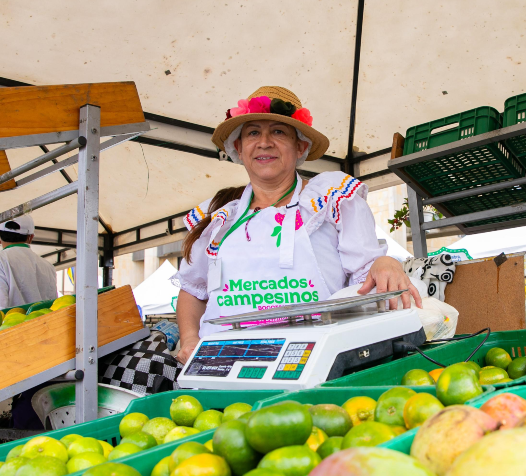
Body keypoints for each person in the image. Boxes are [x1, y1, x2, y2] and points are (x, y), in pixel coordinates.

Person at [173, 86, 421, 364]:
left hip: (311, 360)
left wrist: (384, 262)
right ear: (239, 148)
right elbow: (193, 291)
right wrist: (190, 339)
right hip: (223, 362)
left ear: (300, 146)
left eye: (278, 132)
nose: (264, 142)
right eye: (253, 132)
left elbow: (365, 280)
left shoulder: (331, 200)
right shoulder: (219, 218)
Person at [0, 214, 58, 309]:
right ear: (30, 237)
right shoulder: (48, 266)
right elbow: (52, 305)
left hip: (12, 323)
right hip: (43, 323)